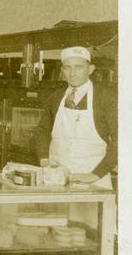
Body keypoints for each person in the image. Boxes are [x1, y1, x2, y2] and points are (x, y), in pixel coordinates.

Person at [35, 46, 116, 189]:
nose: (72, 73)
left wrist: (95, 174)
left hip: (92, 179)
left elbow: (123, 140)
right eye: (67, 67)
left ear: (90, 69)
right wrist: (44, 161)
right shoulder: (56, 97)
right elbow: (42, 130)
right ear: (62, 70)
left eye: (79, 67)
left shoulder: (106, 97)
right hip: (55, 178)